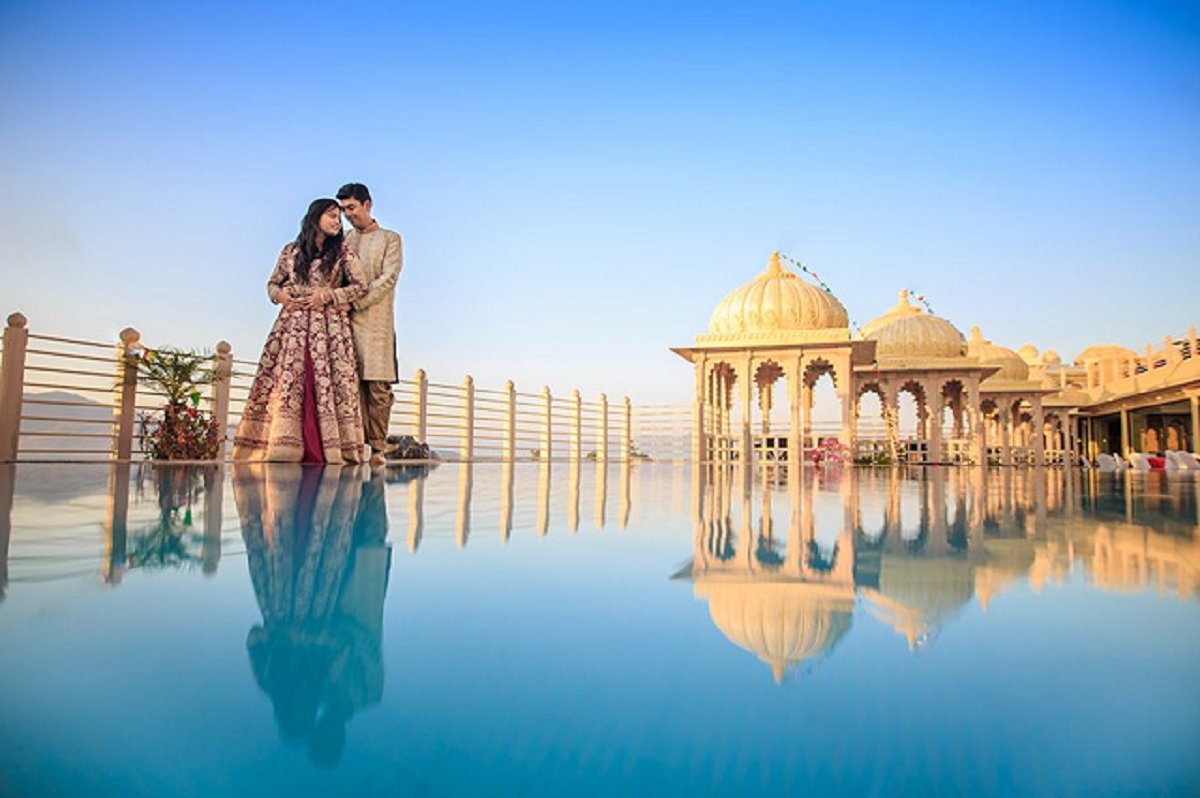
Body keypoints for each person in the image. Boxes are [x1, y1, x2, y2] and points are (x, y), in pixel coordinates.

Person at [232, 199, 370, 464]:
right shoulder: (291, 251)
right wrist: (281, 297)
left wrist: (327, 295)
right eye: (331, 216)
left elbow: (361, 286)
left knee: (323, 383)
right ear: (315, 217)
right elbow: (272, 284)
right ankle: (283, 445)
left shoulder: (342, 252)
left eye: (339, 218)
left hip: (328, 328)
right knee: (290, 381)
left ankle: (326, 448)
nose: (336, 222)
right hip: (292, 327)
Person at [336, 183, 404, 467]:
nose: (348, 214)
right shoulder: (344, 240)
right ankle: (353, 446)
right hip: (342, 322)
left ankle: (377, 447)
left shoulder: (391, 239)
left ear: (367, 204)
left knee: (377, 387)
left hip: (377, 321)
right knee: (349, 386)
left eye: (352, 207)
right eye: (343, 210)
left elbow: (387, 279)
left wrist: (355, 303)